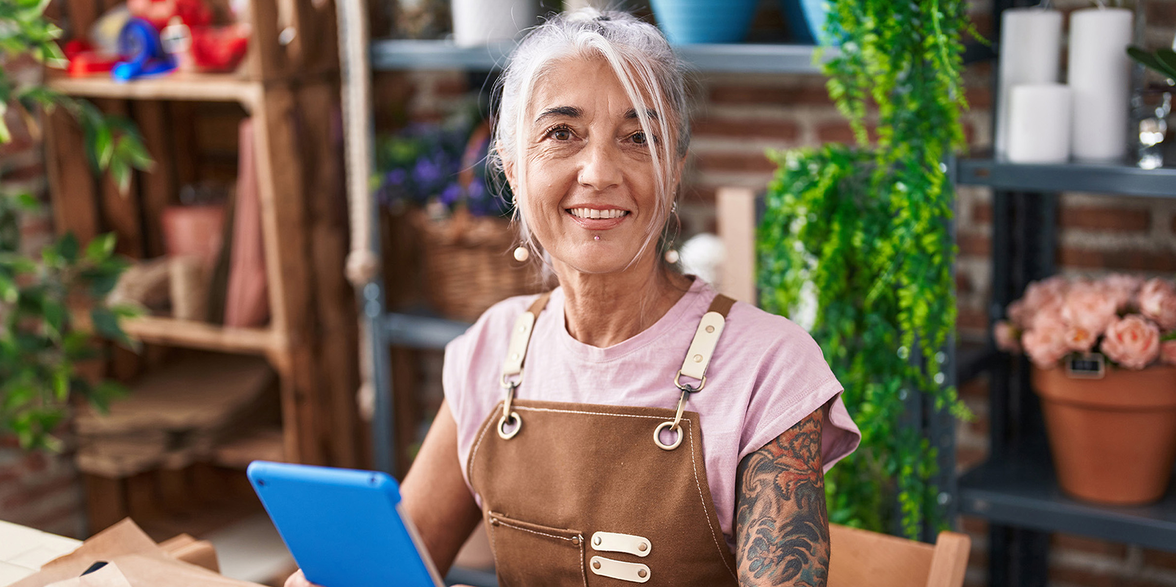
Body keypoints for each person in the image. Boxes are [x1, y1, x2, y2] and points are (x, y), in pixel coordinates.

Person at [289, 9, 859, 586]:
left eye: (639, 138)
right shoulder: (496, 345)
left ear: (675, 171)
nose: (600, 171)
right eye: (562, 133)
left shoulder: (768, 368)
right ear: (512, 168)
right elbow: (397, 567)